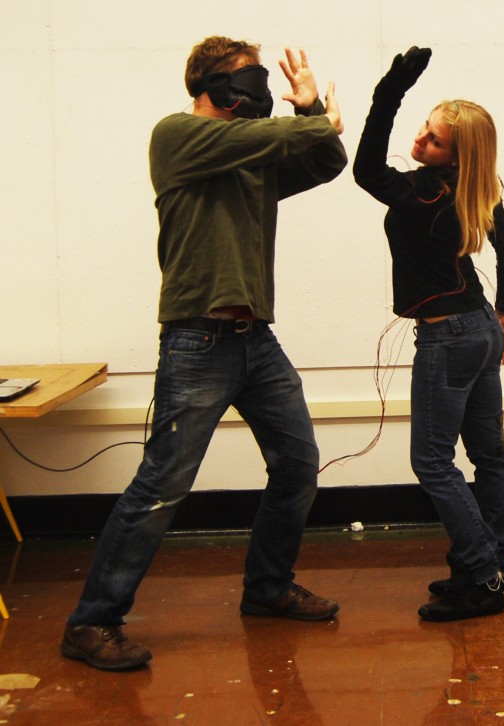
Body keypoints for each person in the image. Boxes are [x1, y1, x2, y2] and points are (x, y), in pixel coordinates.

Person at [61, 36, 347, 670]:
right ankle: (91, 622)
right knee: (162, 484)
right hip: (197, 339)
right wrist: (313, 120)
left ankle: (267, 587)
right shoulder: (176, 136)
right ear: (215, 85)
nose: (262, 91)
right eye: (252, 79)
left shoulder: (253, 159)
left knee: (298, 465)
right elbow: (288, 138)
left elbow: (327, 161)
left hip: (255, 340)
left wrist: (309, 113)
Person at [353, 46, 504, 622]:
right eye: (424, 129)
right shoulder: (475, 185)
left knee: (431, 460)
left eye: (435, 139)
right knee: (489, 454)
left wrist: (388, 94)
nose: (421, 141)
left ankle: (483, 574)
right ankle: (494, 562)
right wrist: (503, 313)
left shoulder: (427, 190)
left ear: (457, 155)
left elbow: (366, 171)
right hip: (478, 328)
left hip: (449, 337)